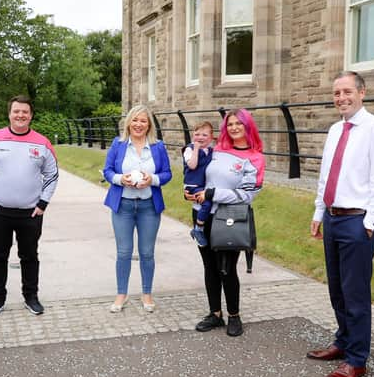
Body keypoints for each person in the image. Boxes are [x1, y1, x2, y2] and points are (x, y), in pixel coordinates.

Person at [307, 71, 374, 377]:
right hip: (333, 217)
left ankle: (357, 359)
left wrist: (370, 223)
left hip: (359, 220)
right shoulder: (335, 129)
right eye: (336, 94)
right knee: (336, 288)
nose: (341, 98)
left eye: (347, 92)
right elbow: (326, 175)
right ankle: (343, 341)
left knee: (355, 292)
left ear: (362, 92)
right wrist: (319, 212)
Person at [0, 95, 59, 318]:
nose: (20, 115)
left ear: (31, 115)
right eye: (16, 111)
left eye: (25, 112)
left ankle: (31, 297)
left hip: (31, 212)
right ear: (9, 113)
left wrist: (43, 203)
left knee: (29, 256)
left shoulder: (42, 143)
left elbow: (52, 174)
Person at [185, 108, 265, 337]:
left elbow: (247, 194)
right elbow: (197, 175)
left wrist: (212, 194)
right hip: (201, 214)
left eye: (239, 123)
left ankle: (234, 315)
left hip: (230, 218)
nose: (234, 128)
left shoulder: (255, 158)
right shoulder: (216, 151)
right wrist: (190, 192)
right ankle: (215, 313)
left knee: (226, 269)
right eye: (230, 124)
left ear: (247, 126)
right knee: (209, 266)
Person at [103, 105, 172, 313]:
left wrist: (152, 180)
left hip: (149, 207)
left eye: (143, 121)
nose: (138, 124)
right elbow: (108, 171)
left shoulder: (158, 146)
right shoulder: (119, 144)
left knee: (147, 253)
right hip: (122, 205)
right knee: (123, 252)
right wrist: (119, 179)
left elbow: (167, 174)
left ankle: (147, 294)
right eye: (135, 120)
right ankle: (121, 295)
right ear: (128, 123)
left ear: (149, 124)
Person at [182, 121, 215, 247]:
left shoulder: (210, 151)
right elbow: (192, 165)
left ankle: (198, 227)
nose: (200, 137)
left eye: (204, 135)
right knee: (207, 203)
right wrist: (195, 149)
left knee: (207, 201)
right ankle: (198, 228)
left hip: (203, 186)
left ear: (211, 137)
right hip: (192, 186)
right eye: (197, 134)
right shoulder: (189, 150)